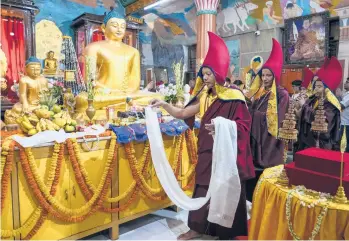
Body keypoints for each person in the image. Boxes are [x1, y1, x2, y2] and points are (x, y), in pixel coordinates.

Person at [150, 32, 255, 240]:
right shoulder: (205, 96)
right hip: (207, 151)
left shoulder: (234, 96)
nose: (204, 78)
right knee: (202, 187)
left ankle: (225, 230)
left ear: (219, 73)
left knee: (225, 189)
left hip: (226, 153)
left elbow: (244, 127)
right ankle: (197, 227)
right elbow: (182, 113)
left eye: (208, 74)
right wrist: (164, 105)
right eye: (203, 74)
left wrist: (223, 127)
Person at [246, 39, 289, 201]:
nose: (265, 78)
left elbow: (277, 118)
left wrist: (253, 114)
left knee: (268, 171)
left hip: (271, 139)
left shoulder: (282, 94)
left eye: (268, 75)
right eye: (263, 75)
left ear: (275, 76)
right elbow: (254, 109)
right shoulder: (261, 93)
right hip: (257, 135)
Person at [296, 57, 342, 151]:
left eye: (320, 86)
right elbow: (302, 116)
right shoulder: (312, 99)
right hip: (306, 139)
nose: (316, 89)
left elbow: (323, 121)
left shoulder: (330, 104)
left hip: (321, 142)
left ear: (327, 88)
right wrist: (297, 107)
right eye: (315, 86)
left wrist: (304, 105)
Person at [340, 80, 349, 152]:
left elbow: (341, 106)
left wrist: (333, 97)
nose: (345, 83)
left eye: (347, 82)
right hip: (342, 122)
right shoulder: (346, 93)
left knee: (344, 145)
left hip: (346, 123)